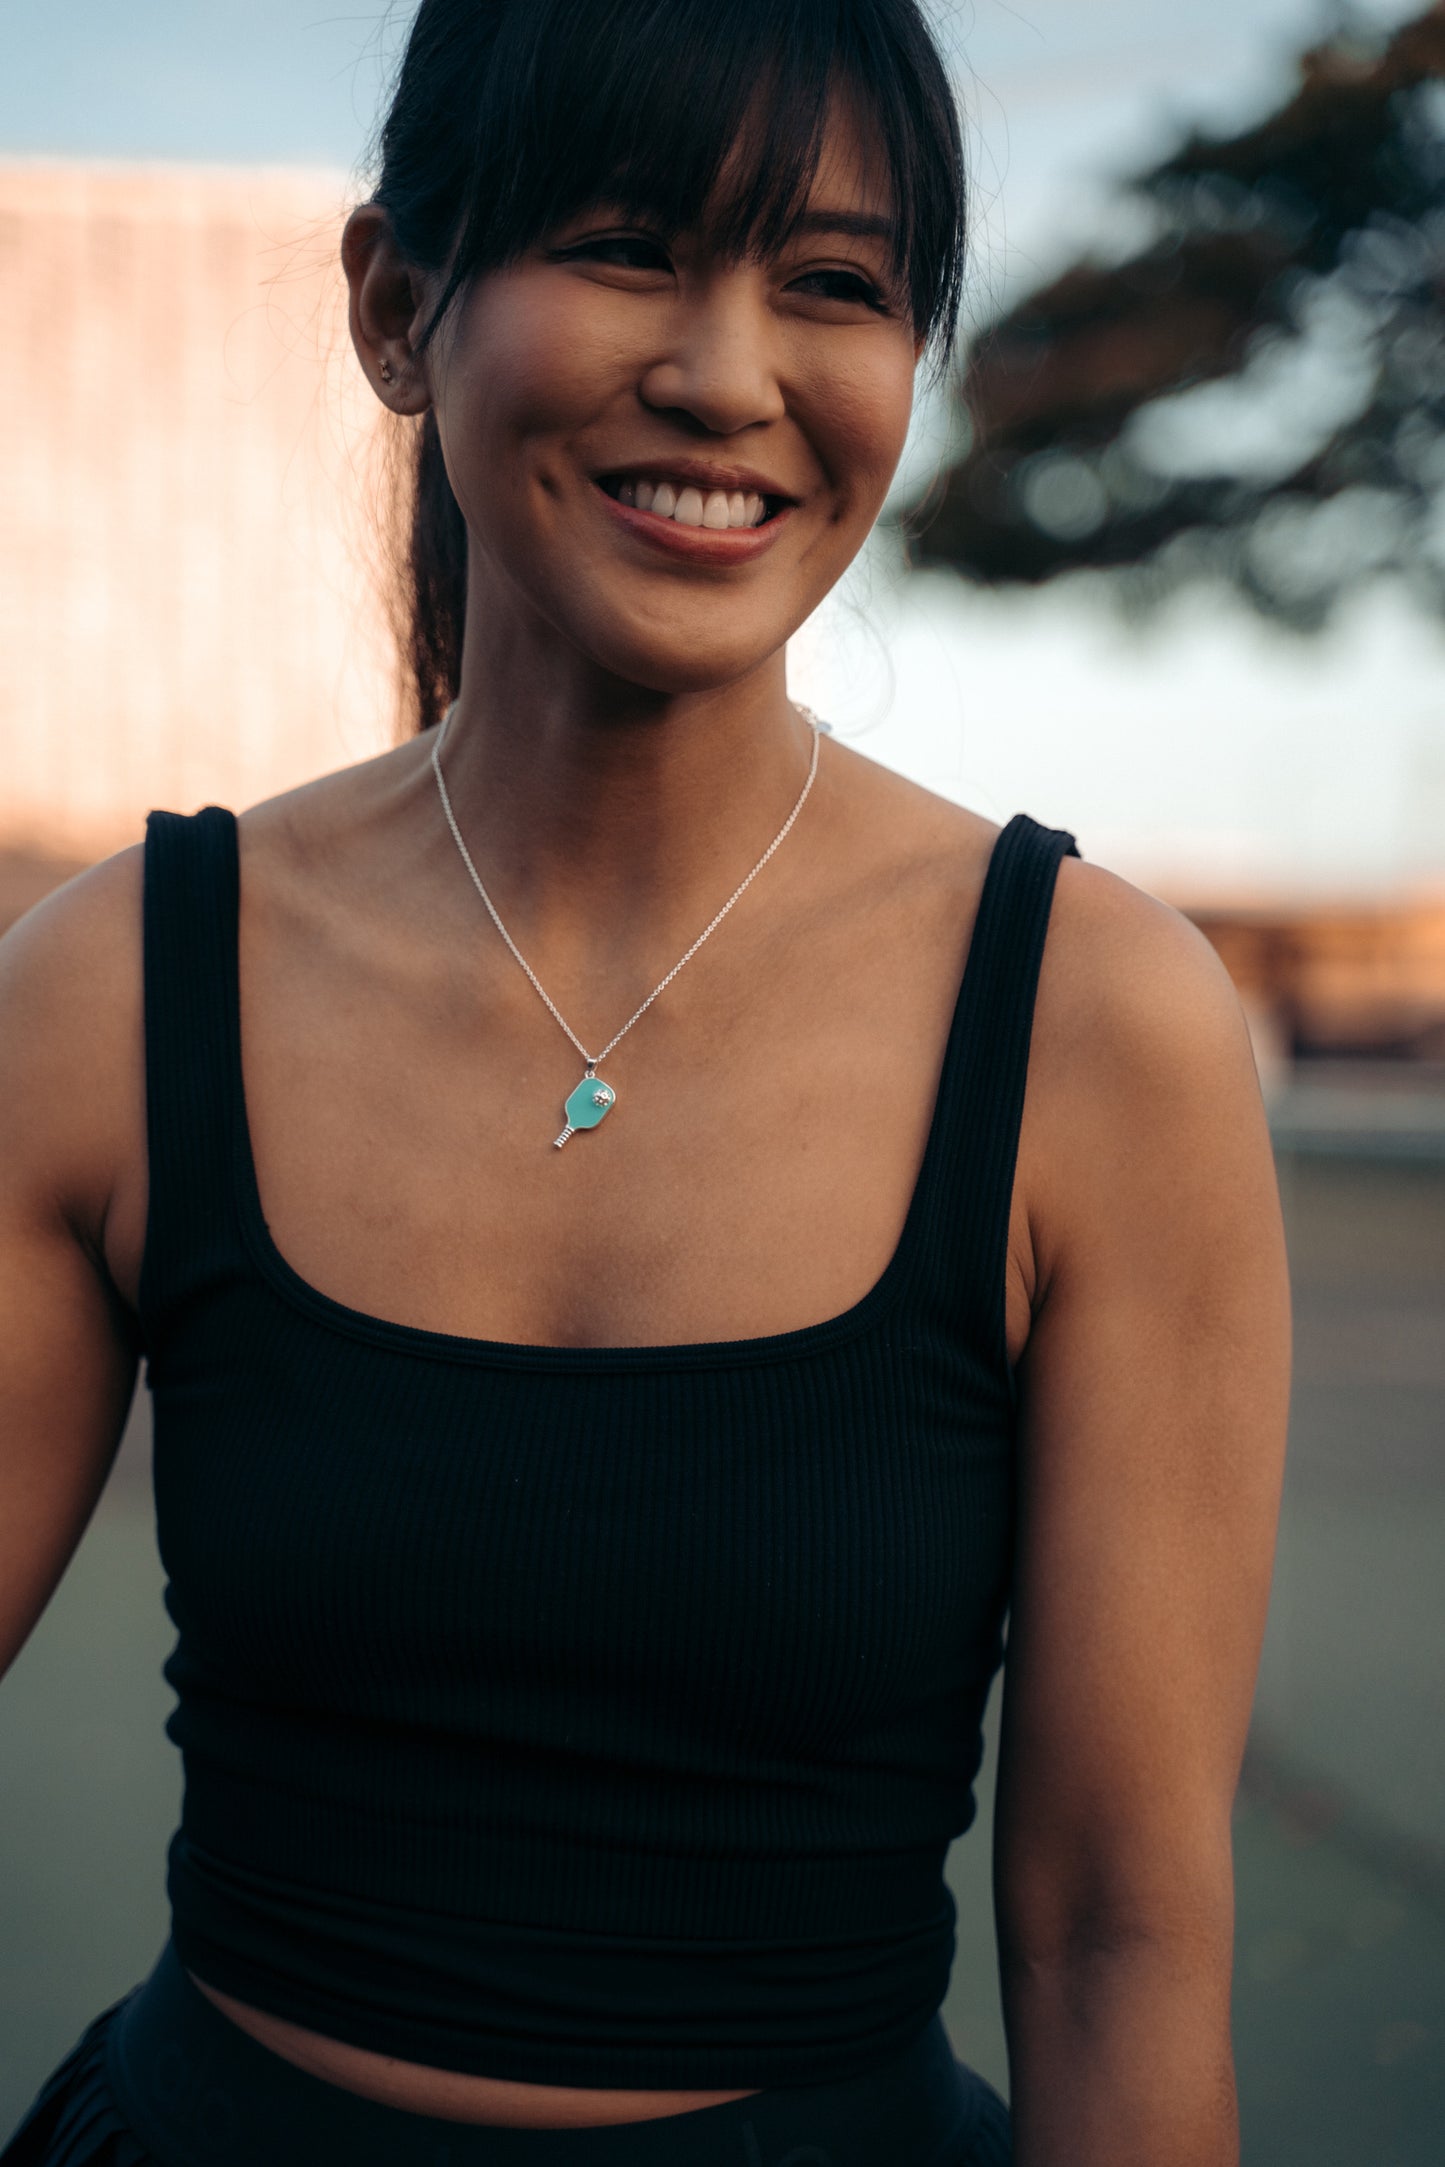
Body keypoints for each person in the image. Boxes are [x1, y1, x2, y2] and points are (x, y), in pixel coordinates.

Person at [0, 1, 1292, 2162]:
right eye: (623, 243)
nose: (726, 371)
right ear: (400, 309)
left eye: (839, 284)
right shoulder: (115, 988)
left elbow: (1117, 1944)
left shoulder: (1100, 1031)